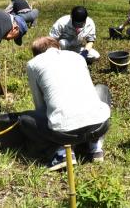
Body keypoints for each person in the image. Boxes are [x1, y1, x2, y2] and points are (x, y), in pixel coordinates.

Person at [12, 37, 111, 171]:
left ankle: (61, 152)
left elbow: (40, 105)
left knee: (24, 119)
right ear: (58, 47)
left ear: (36, 53)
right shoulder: (77, 57)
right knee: (101, 89)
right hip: (99, 126)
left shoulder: (33, 64)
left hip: (63, 133)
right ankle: (95, 146)